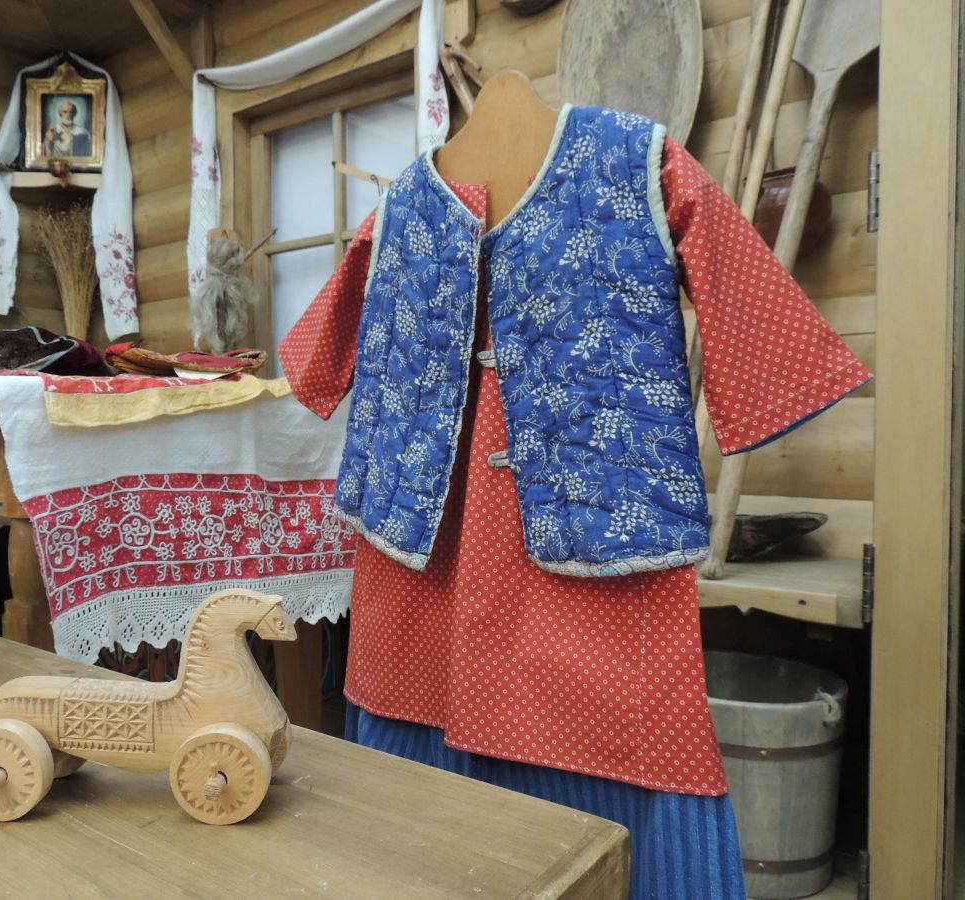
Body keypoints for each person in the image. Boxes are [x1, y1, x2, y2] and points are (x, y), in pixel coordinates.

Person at [279, 96, 870, 900]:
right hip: (425, 579)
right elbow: (319, 359)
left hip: (594, 557)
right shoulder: (406, 210)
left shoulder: (634, 162)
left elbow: (314, 363)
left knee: (609, 768)